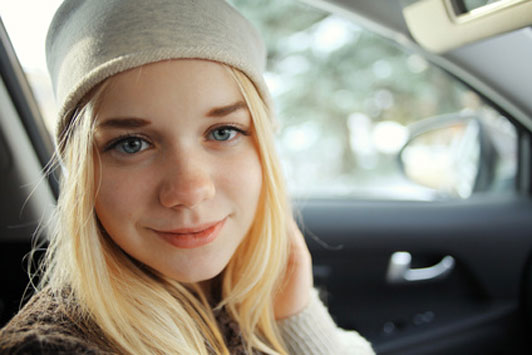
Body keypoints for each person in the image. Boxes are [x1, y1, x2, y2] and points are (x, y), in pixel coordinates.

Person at [0, 0, 374, 354]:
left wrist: (296, 317)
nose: (190, 190)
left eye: (223, 132)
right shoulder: (51, 348)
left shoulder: (241, 295)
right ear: (82, 173)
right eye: (131, 144)